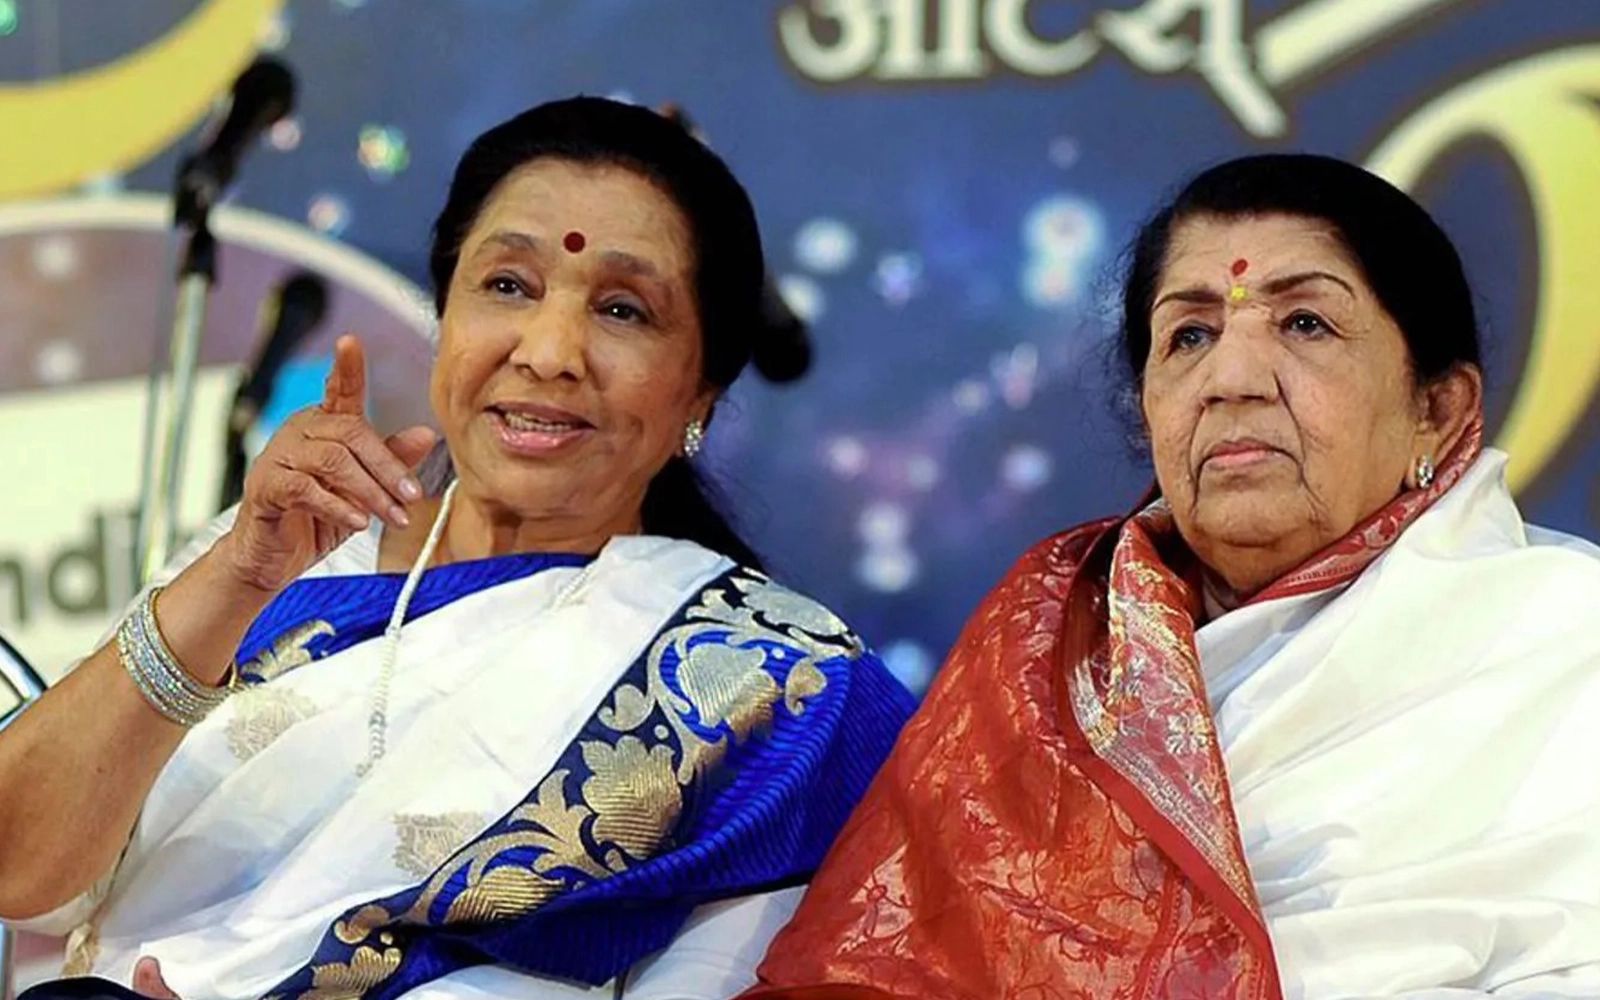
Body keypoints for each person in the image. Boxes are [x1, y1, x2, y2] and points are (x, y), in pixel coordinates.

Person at [0, 96, 914, 1000]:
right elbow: (22, 874)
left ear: (702, 389)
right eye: (508, 286)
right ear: (446, 317)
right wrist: (238, 575)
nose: (549, 351)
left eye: (623, 310)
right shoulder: (282, 567)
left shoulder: (769, 691)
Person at [747, 154, 1600, 999]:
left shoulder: (1565, 643)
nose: (1231, 379)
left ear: (1437, 411)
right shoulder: (1046, 650)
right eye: (1189, 336)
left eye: (1306, 324)